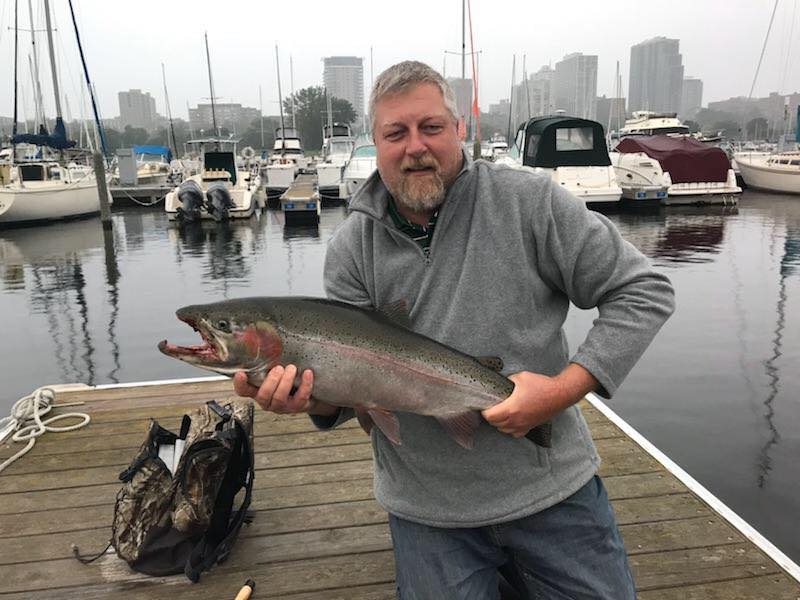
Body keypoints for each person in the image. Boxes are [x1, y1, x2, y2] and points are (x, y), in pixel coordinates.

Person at [234, 60, 675, 599]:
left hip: (550, 485)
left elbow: (644, 290)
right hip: (427, 507)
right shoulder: (351, 248)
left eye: (431, 128)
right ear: (375, 142)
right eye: (395, 133)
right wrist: (311, 401)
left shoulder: (529, 203)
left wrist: (563, 391)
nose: (414, 146)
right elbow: (351, 400)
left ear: (459, 129)